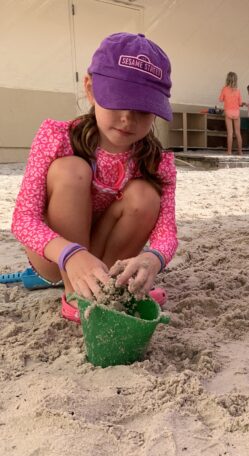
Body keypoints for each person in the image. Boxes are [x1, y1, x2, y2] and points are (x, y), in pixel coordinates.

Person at [11, 32, 178, 324]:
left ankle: (106, 287)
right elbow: (23, 219)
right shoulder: (56, 136)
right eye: (119, 100)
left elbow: (166, 233)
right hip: (54, 257)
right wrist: (70, 254)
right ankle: (75, 292)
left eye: (142, 108)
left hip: (105, 256)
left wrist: (153, 259)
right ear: (90, 88)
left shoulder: (158, 161)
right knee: (71, 170)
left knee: (145, 195)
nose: (128, 117)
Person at [219, 72, 243, 155]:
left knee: (230, 132)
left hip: (228, 112)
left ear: (227, 79)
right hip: (236, 112)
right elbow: (240, 103)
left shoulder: (224, 89)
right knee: (238, 133)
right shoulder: (238, 90)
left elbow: (221, 99)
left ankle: (229, 151)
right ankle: (240, 151)